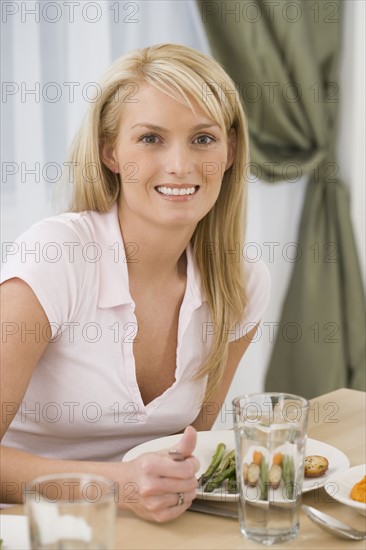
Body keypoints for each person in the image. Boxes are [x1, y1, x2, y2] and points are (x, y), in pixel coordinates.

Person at [0, 43, 270, 522]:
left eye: (203, 139)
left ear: (229, 151)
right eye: (150, 139)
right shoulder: (55, 256)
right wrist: (115, 486)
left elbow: (189, 448)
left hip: (147, 529)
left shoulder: (242, 283)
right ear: (110, 152)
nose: (180, 166)